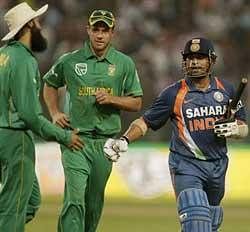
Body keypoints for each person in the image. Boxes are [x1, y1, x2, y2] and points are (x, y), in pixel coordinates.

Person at [104, 38, 248, 232]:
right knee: (196, 221)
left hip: (217, 166)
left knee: (211, 224)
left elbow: (243, 126)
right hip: (186, 165)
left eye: (200, 58)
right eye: (190, 58)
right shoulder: (173, 93)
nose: (194, 62)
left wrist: (235, 130)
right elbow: (145, 121)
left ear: (212, 61)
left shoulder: (227, 89)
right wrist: (124, 139)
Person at [43, 9, 143, 232]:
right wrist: (55, 113)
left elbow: (136, 102)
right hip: (75, 139)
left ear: (112, 33)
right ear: (88, 30)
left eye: (104, 30)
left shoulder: (124, 63)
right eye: (95, 29)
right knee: (75, 198)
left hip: (106, 145)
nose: (99, 35)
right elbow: (50, 83)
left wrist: (112, 99)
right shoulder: (70, 60)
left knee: (94, 204)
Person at [0, 2, 83, 232]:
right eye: (38, 22)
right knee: (14, 207)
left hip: (2, 136)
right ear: (29, 25)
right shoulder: (23, 60)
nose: (41, 27)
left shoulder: (2, 56)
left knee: (30, 200)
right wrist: (63, 136)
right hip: (15, 139)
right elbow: (28, 114)